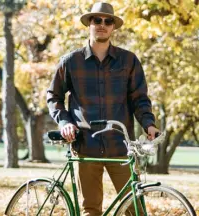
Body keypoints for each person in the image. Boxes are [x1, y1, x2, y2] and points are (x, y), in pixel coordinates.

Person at [46, 2, 159, 215]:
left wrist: (149, 124)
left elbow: (139, 98)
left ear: (113, 27)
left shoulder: (128, 60)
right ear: (89, 23)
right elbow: (54, 96)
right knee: (91, 210)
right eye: (97, 20)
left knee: (135, 209)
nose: (102, 25)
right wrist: (64, 122)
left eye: (108, 21)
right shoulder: (71, 61)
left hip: (120, 146)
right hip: (85, 145)